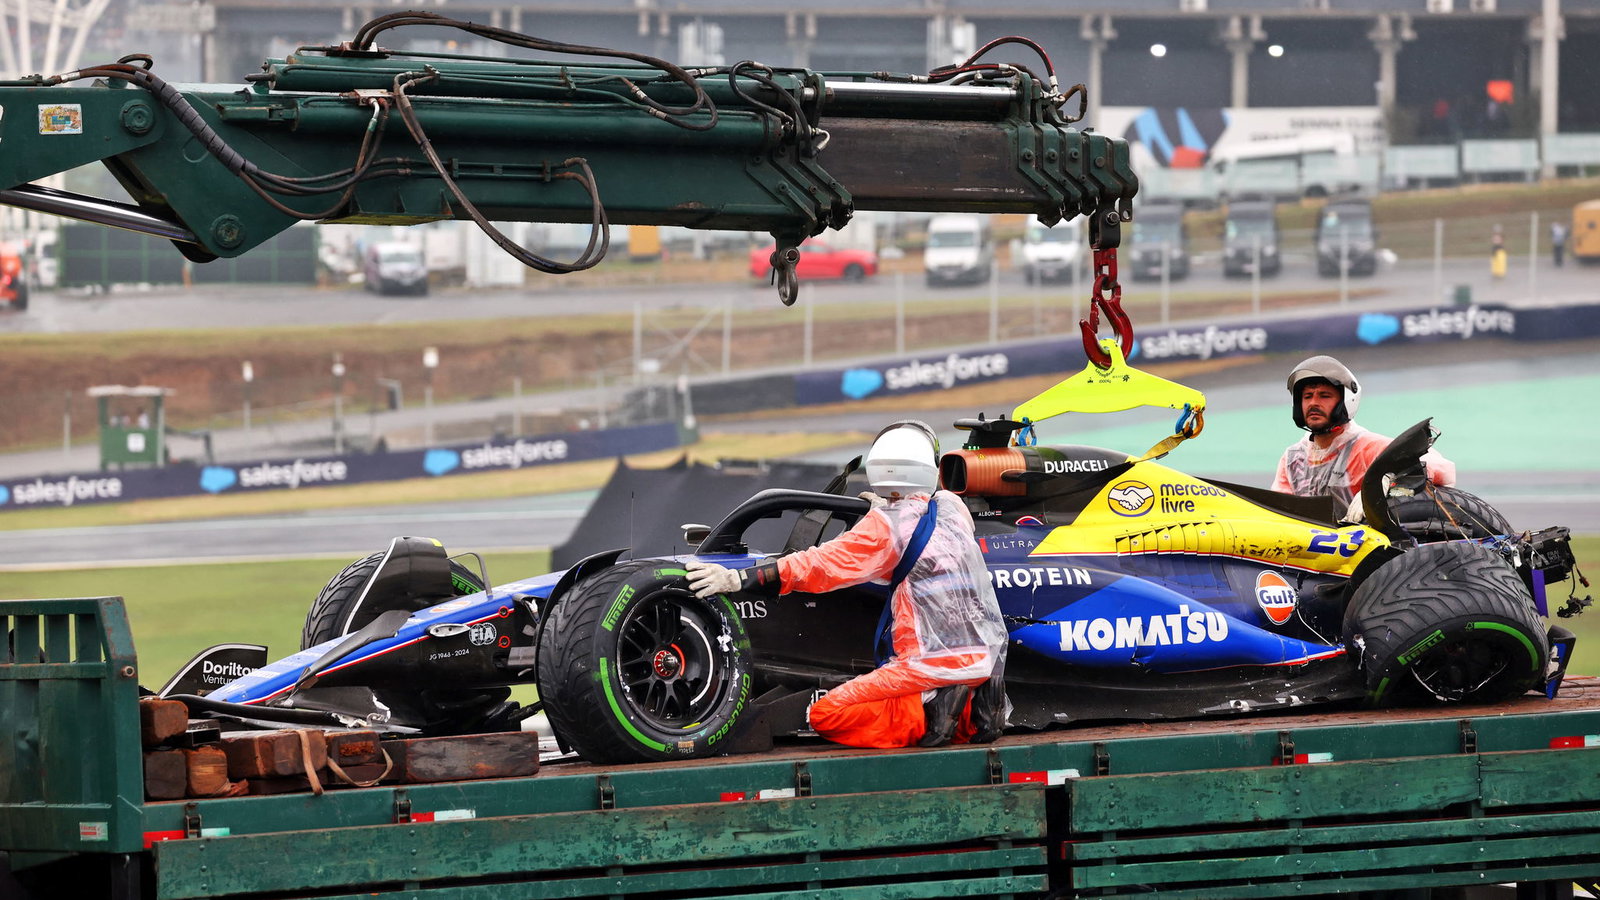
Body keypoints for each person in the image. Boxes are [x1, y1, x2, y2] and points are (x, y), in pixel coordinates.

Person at [686, 420, 1008, 750]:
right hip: (981, 657)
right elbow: (919, 525)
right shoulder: (952, 508)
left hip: (925, 665)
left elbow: (819, 565)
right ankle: (971, 710)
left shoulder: (884, 529)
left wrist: (739, 578)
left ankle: (932, 709)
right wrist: (888, 510)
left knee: (827, 714)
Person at [1273, 356, 1456, 515]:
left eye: (1324, 395)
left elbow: (1443, 469)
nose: (1313, 403)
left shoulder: (1368, 447)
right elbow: (1278, 511)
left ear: (1345, 401)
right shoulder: (1293, 458)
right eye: (1307, 396)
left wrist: (1386, 487)